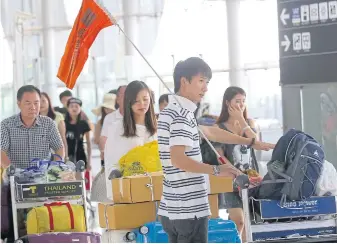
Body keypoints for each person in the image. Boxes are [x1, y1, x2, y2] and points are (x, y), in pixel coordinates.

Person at [157, 57, 274, 243]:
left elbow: (210, 132)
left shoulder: (173, 111)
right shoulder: (181, 115)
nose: (205, 88)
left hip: (172, 209)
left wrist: (249, 142)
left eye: (207, 82)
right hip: (189, 209)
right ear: (184, 82)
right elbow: (178, 159)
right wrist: (217, 170)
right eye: (201, 81)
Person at [214, 86, 259, 242]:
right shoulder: (218, 128)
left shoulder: (249, 123)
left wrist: (241, 119)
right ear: (228, 103)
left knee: (249, 223)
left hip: (252, 180)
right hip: (231, 181)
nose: (241, 105)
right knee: (238, 221)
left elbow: (255, 142)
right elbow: (220, 156)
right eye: (237, 101)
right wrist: (235, 172)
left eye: (243, 102)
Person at [104, 80, 157, 200]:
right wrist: (116, 194)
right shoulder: (117, 128)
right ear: (128, 102)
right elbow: (111, 162)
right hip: (129, 192)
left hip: (155, 191)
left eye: (145, 99)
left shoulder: (157, 128)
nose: (142, 104)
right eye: (136, 101)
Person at [1, 85, 64, 169]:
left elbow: (59, 147)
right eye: (28, 103)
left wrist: (56, 168)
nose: (33, 107)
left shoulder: (48, 123)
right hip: (15, 178)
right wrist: (11, 171)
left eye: (36, 103)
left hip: (43, 178)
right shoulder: (6, 125)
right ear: (19, 104)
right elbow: (1, 151)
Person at [99, 85, 127, 159]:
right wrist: (103, 151)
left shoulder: (137, 116)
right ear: (117, 99)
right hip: (114, 160)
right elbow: (103, 138)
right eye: (123, 95)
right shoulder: (109, 118)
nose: (127, 98)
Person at [64, 98, 91, 170]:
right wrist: (65, 157)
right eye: (71, 106)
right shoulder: (63, 124)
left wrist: (89, 162)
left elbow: (89, 144)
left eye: (76, 106)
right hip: (67, 157)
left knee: (80, 179)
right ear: (68, 108)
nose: (74, 108)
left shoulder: (84, 124)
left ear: (80, 108)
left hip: (81, 157)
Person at [40, 92, 68, 159]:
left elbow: (62, 138)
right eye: (38, 101)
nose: (41, 104)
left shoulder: (57, 116)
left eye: (43, 101)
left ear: (48, 101)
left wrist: (66, 156)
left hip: (56, 154)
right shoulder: (33, 119)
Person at [92, 93, 116, 167]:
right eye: (105, 108)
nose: (107, 110)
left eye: (110, 108)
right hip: (105, 154)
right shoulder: (100, 122)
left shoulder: (120, 120)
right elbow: (96, 140)